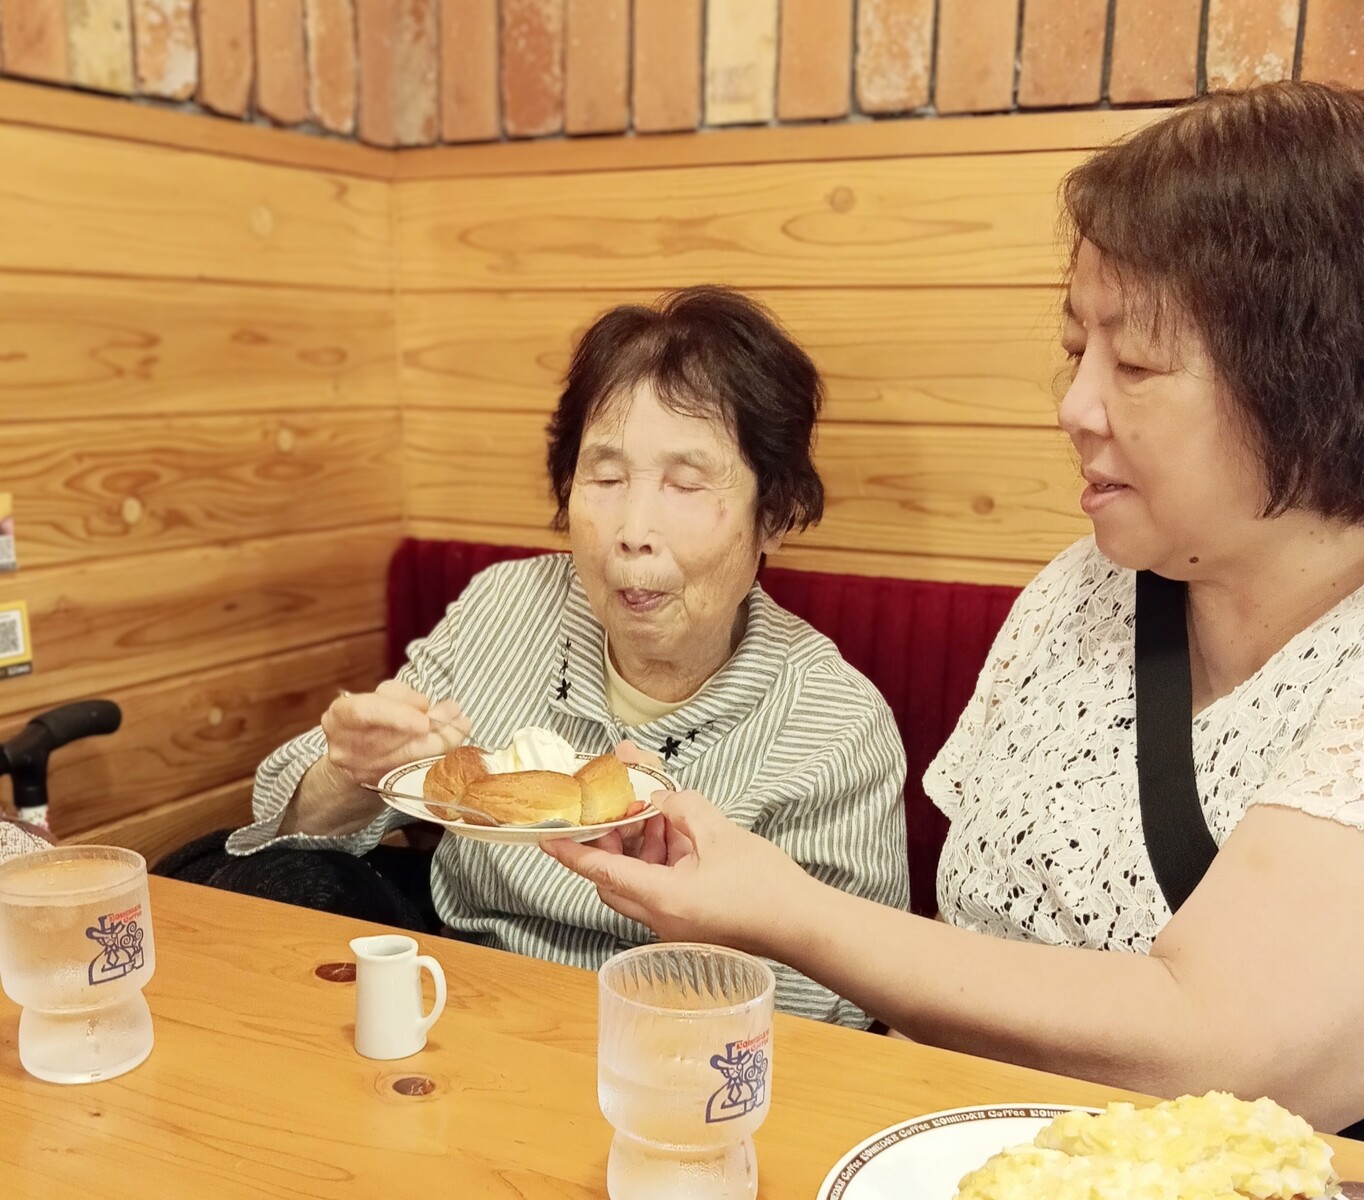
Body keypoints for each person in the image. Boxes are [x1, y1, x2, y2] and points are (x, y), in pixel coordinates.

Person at [548, 82, 1364, 1131]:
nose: (1073, 406)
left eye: (1136, 362)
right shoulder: (1077, 594)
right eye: (1074, 352)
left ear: (1309, 383)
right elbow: (966, 943)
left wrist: (778, 905)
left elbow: (1226, 1048)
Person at [193, 286, 908, 1027]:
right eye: (605, 478)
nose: (632, 530)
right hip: (455, 997)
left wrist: (685, 919)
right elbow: (285, 832)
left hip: (667, 1043)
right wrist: (354, 773)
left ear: (776, 515)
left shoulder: (835, 725)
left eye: (686, 483)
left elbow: (835, 1014)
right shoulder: (505, 607)